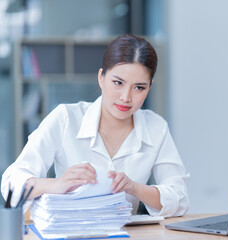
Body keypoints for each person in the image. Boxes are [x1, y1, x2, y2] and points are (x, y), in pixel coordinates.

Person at [1, 34, 189, 217]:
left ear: (149, 87)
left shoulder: (156, 127)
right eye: (118, 83)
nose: (126, 97)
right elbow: (11, 182)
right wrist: (57, 184)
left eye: (139, 87)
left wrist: (134, 188)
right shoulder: (66, 118)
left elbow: (179, 198)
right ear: (101, 77)